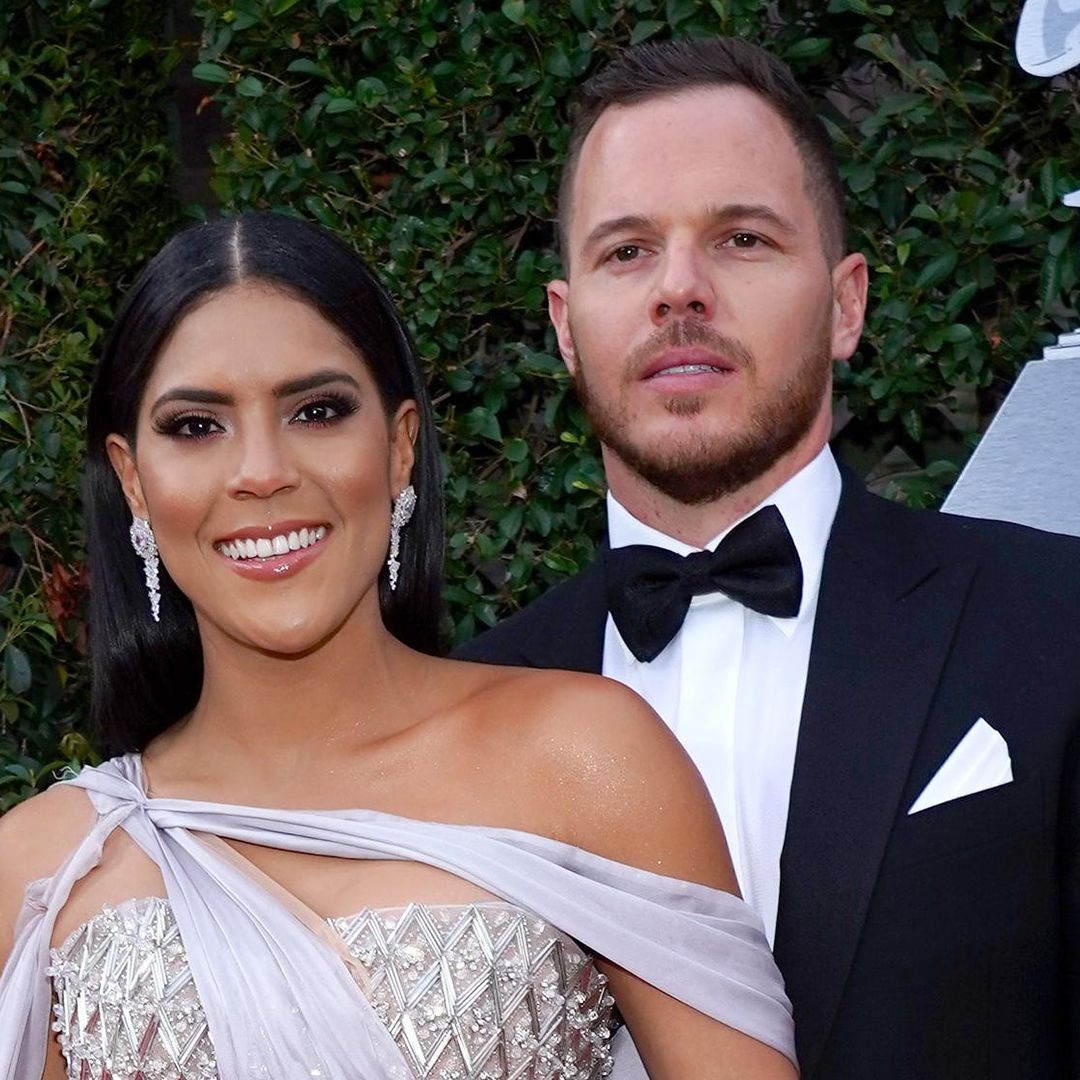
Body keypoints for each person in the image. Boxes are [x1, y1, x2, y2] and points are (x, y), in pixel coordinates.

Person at [0, 212, 796, 1080]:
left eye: (318, 411)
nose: (261, 470)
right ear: (131, 481)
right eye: (197, 425)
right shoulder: (42, 873)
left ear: (400, 447)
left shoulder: (585, 759)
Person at [456, 36, 1080, 1080]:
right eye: (626, 251)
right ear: (566, 327)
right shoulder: (459, 708)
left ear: (847, 305)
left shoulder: (1053, 626)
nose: (680, 290)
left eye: (741, 239)